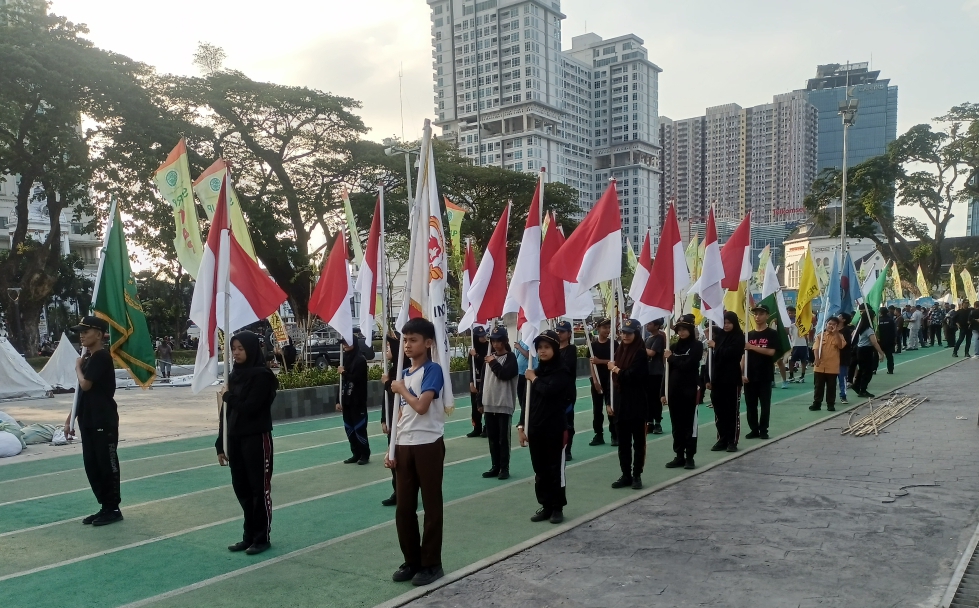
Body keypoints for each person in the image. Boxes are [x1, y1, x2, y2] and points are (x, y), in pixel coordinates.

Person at [387, 317, 446, 587]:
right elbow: (402, 415)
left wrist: (401, 389)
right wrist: (392, 448)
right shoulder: (405, 373)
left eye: (413, 340)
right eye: (406, 340)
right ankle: (411, 560)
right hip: (405, 445)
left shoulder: (433, 370)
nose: (408, 345)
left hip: (428, 444)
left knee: (431, 505)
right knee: (404, 507)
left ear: (428, 343)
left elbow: (421, 407)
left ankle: (431, 562)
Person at [215, 330, 278, 555]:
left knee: (258, 489)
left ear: (251, 349)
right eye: (233, 349)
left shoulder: (263, 376)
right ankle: (248, 535)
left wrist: (228, 396)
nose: (236, 353)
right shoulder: (233, 376)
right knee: (241, 488)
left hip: (256, 438)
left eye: (241, 348)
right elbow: (228, 412)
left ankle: (262, 537)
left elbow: (251, 407)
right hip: (235, 439)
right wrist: (220, 443)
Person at [63, 316, 123, 527]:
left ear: (99, 334)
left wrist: (78, 367)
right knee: (92, 465)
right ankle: (104, 506)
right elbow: (80, 394)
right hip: (87, 420)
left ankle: (113, 507)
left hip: (102, 420)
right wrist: (70, 420)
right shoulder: (88, 358)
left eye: (86, 331)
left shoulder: (101, 357)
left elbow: (86, 384)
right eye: (80, 331)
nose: (82, 335)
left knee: (106, 464)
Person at [520, 330, 575, 524]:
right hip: (536, 428)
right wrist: (521, 426)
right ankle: (545, 505)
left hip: (555, 429)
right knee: (540, 470)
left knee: (555, 470)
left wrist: (533, 379)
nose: (542, 351)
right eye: (539, 348)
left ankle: (557, 507)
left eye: (546, 347)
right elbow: (527, 402)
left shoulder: (562, 371)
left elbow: (549, 391)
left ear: (554, 348)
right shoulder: (537, 371)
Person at [608, 319, 648, 490]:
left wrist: (616, 369)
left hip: (636, 403)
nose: (625, 336)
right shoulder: (619, 351)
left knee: (638, 442)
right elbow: (614, 381)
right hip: (621, 403)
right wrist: (610, 402)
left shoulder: (640, 352)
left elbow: (633, 376)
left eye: (629, 333)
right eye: (623, 332)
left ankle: (637, 475)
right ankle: (626, 474)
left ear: (636, 334)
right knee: (623, 443)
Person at [663, 314, 703, 470]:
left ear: (690, 330)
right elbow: (667, 373)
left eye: (684, 329)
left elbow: (690, 365)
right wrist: (663, 392)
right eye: (679, 329)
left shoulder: (697, 346)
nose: (681, 332)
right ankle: (679, 455)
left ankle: (690, 457)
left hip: (690, 391)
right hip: (674, 392)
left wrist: (672, 358)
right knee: (676, 425)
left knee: (689, 425)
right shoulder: (672, 348)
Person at [481, 327, 518, 480]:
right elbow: (483, 381)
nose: (496, 344)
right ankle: (495, 466)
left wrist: (493, 362)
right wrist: (479, 401)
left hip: (504, 404)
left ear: (505, 341)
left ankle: (504, 467)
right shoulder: (489, 359)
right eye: (493, 341)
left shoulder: (510, 358)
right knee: (492, 438)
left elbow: (504, 375)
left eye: (499, 341)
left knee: (504, 439)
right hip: (489, 403)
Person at [706, 311, 745, 453]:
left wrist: (716, 346)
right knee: (719, 410)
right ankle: (722, 438)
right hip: (717, 379)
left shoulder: (739, 337)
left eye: (729, 323)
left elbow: (732, 354)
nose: (726, 325)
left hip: (731, 379)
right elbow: (710, 359)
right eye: (724, 323)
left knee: (731, 411)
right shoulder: (719, 336)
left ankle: (732, 440)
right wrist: (707, 378)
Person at [379, 330, 407, 506]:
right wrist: (384, 419)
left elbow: (400, 393)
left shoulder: (404, 368)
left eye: (389, 346)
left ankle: (404, 492)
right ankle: (397, 491)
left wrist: (388, 383)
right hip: (392, 418)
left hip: (403, 421)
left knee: (402, 458)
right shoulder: (391, 369)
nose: (386, 350)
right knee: (392, 457)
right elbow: (386, 398)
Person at [743, 305, 779, 440]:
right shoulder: (748, 335)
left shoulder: (772, 334)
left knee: (764, 404)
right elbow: (743, 356)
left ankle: (763, 429)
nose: (758, 317)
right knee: (750, 405)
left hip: (764, 374)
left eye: (761, 314)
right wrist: (741, 373)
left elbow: (771, 352)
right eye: (756, 314)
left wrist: (752, 347)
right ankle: (754, 429)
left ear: (767, 316)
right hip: (750, 375)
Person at [337, 336, 370, 465]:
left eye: (346, 342)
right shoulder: (345, 359)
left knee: (359, 429)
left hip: (357, 401)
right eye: (343, 343)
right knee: (349, 429)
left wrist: (344, 372)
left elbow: (356, 379)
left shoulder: (360, 360)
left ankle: (364, 454)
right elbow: (341, 383)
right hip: (347, 401)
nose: (344, 345)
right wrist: (338, 400)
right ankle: (355, 454)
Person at [587, 318, 614, 446]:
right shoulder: (593, 346)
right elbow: (591, 364)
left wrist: (601, 361)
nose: (607, 330)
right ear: (598, 328)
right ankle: (598, 434)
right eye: (605, 328)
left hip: (611, 380)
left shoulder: (613, 344)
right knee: (597, 410)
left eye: (609, 328)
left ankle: (615, 434)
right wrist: (595, 381)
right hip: (597, 380)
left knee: (611, 407)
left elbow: (616, 361)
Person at [809, 317, 846, 411]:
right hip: (820, 366)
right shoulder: (820, 336)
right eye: (829, 323)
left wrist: (836, 333)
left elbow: (840, 346)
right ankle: (817, 404)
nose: (831, 325)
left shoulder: (840, 336)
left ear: (837, 326)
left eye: (833, 324)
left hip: (832, 367)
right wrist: (816, 359)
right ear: (826, 324)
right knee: (818, 386)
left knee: (831, 387)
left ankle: (830, 404)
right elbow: (816, 348)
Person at [852, 306, 887, 398]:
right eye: (874, 316)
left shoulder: (860, 327)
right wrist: (881, 353)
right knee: (867, 371)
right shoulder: (868, 329)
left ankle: (856, 385)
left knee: (862, 369)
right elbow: (874, 342)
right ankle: (863, 390)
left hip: (860, 349)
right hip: (866, 350)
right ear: (870, 317)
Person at [555, 320, 578, 460]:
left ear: (569, 334)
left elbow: (567, 367)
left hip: (567, 392)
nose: (559, 334)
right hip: (554, 391)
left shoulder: (571, 349)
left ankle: (567, 449)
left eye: (562, 331)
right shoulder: (553, 349)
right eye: (558, 331)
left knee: (568, 422)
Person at [644, 318, 666, 434]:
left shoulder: (659, 338)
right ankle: (649, 422)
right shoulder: (647, 339)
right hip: (647, 373)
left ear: (657, 326)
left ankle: (657, 422)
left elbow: (652, 353)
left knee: (655, 399)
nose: (648, 325)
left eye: (650, 323)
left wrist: (641, 347)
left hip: (656, 372)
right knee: (647, 399)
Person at [467, 326, 489, 438]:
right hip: (476, 381)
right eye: (481, 336)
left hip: (486, 380)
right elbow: (471, 367)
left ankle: (487, 428)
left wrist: (476, 355)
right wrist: (471, 382)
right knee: (475, 406)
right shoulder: (472, 349)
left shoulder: (489, 347)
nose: (484, 337)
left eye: (484, 335)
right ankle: (477, 428)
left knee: (486, 405)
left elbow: (486, 362)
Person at [786, 307, 808, 384]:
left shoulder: (803, 322)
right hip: (794, 345)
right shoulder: (789, 324)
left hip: (803, 345)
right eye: (789, 313)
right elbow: (788, 333)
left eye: (793, 313)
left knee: (803, 361)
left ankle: (802, 376)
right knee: (791, 361)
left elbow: (810, 327)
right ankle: (791, 376)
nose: (792, 314)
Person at [837, 312, 854, 404]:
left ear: (843, 320)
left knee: (842, 378)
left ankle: (843, 396)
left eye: (839, 316)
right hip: (831, 357)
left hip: (843, 358)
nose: (837, 317)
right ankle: (830, 397)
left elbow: (846, 344)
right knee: (830, 379)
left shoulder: (846, 331)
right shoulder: (831, 329)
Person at [877, 307, 896, 374]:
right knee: (889, 356)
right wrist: (894, 341)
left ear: (880, 312)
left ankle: (874, 369)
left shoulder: (878, 321)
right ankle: (890, 370)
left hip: (880, 341)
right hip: (889, 341)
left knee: (876, 356)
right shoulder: (890, 320)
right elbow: (894, 331)